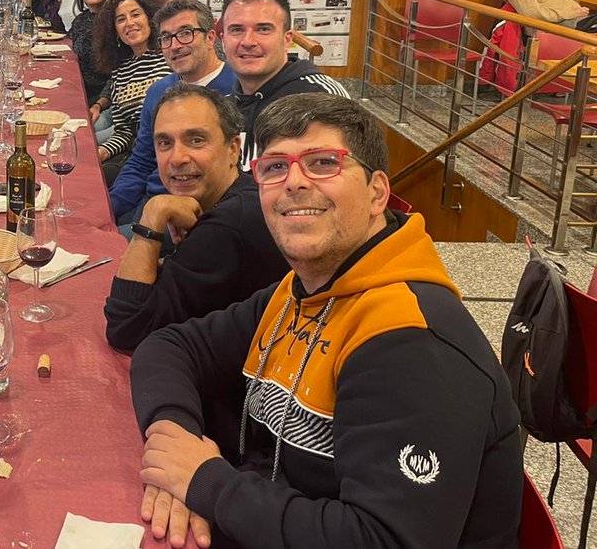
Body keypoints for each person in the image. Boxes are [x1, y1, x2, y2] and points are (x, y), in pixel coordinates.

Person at [131, 94, 521, 549]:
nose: (294, 182)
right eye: (275, 167)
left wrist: (207, 482)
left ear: (377, 192)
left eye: (322, 163)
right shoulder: (303, 290)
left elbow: (383, 540)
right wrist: (175, 440)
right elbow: (168, 346)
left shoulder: (412, 342)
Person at [104, 84, 286, 351]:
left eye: (196, 140)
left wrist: (153, 213)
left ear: (233, 149)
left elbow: (125, 327)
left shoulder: (227, 225)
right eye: (165, 143)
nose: (177, 158)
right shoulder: (241, 193)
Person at [109, 0, 239, 224]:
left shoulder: (239, 89)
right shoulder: (158, 91)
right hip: (150, 202)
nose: (175, 46)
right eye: (166, 38)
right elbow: (141, 160)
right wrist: (109, 209)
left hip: (200, 217)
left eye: (186, 33)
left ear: (210, 38)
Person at [221, 0, 350, 171]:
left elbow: (345, 179)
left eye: (263, 29)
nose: (248, 41)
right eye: (237, 30)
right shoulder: (224, 107)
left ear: (287, 40)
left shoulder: (321, 97)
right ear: (223, 42)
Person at [91, 0, 172, 183]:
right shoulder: (120, 72)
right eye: (121, 19)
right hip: (135, 152)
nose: (129, 23)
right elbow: (124, 131)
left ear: (150, 19)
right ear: (115, 31)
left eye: (135, 15)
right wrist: (103, 151)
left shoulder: (170, 56)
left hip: (165, 149)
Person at [68, 0, 116, 105]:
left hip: (105, 97)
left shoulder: (115, 20)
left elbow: (120, 72)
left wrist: (99, 104)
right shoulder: (80, 20)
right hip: (79, 89)